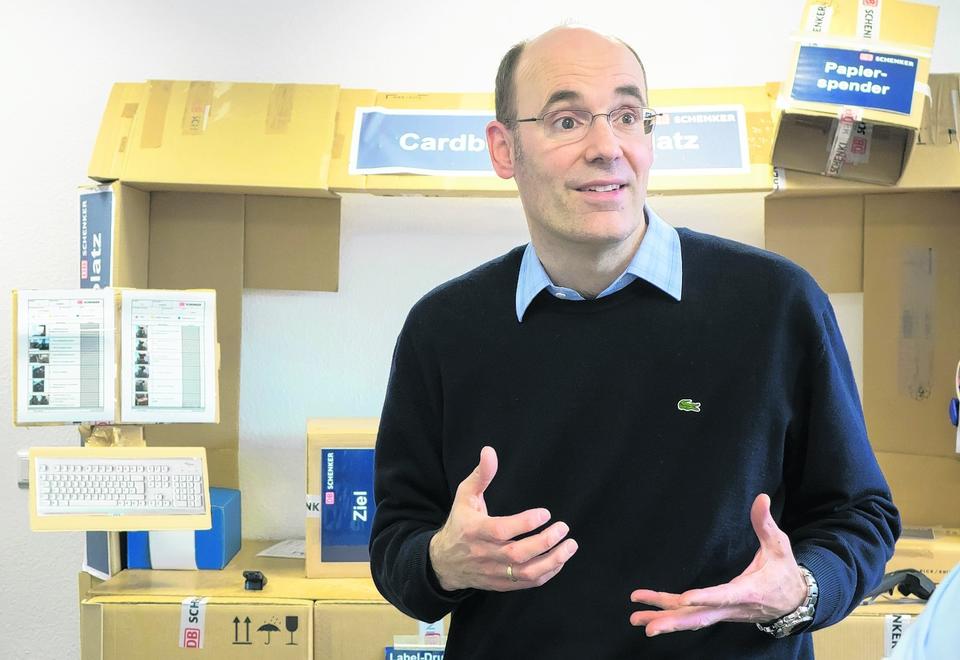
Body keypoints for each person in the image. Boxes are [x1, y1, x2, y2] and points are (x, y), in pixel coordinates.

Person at [370, 26, 900, 659]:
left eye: (627, 116)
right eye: (567, 121)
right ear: (504, 149)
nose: (607, 148)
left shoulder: (776, 304)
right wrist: (442, 562)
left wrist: (802, 591)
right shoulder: (443, 329)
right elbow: (397, 544)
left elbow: (860, 515)